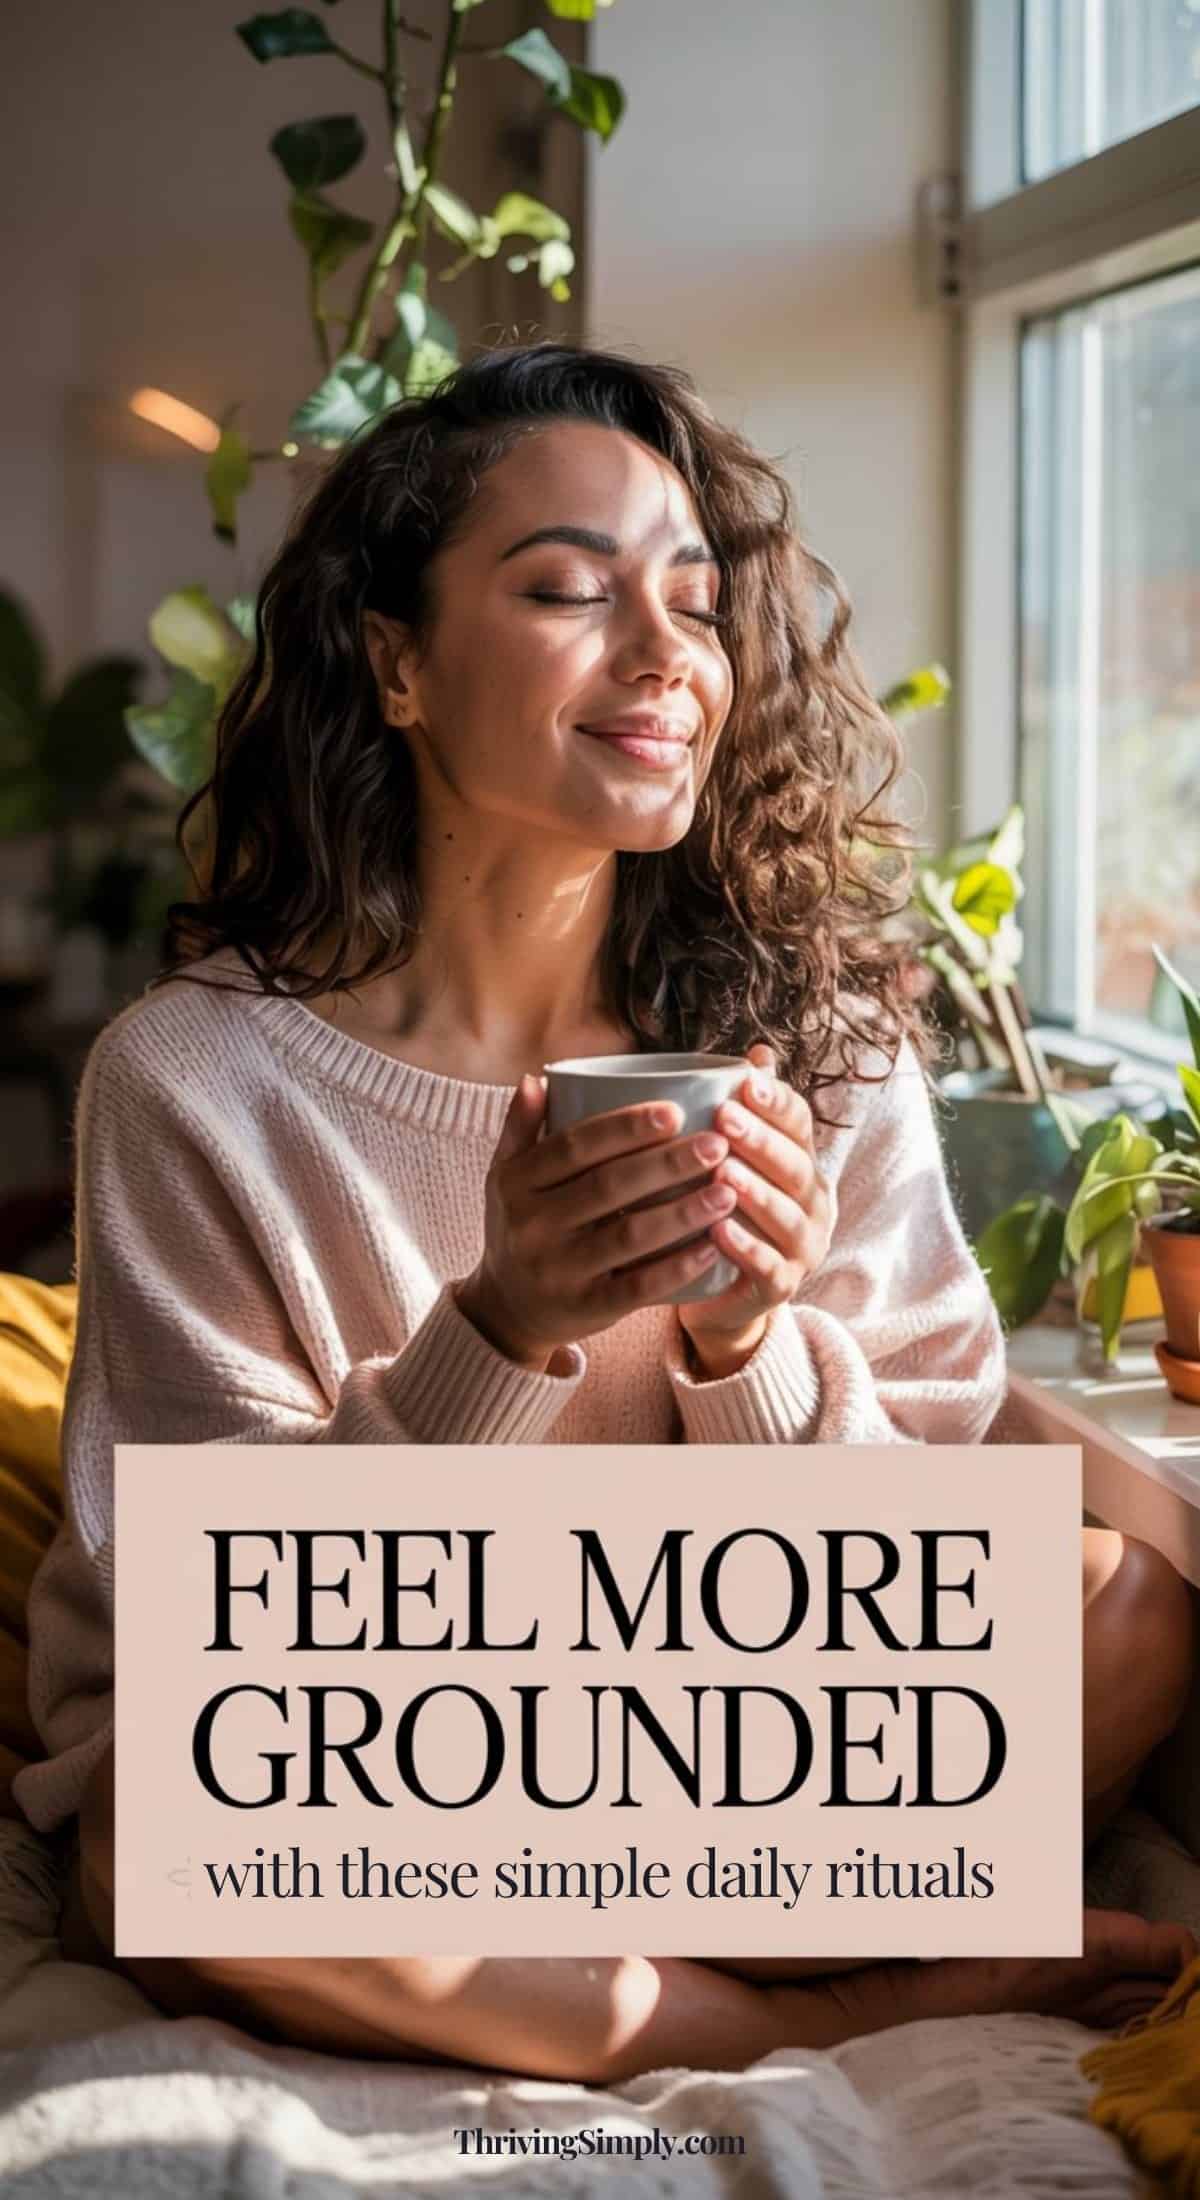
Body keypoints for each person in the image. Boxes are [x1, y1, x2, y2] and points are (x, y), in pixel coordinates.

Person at [18, 341, 1195, 2079]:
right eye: (570, 590)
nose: (666, 659)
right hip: (391, 1728)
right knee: (175, 1851)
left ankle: (571, 1948)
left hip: (708, 1714)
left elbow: (923, 1547)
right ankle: (843, 1998)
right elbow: (228, 1628)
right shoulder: (197, 1082)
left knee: (1126, 1601)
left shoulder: (819, 1039)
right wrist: (502, 1332)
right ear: (396, 661)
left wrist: (751, 1346)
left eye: (699, 605)